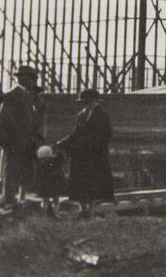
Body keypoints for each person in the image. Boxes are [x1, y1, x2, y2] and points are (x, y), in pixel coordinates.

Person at [58, 89, 114, 218]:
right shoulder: (81, 115)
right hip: (81, 154)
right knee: (80, 182)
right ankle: (83, 209)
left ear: (95, 101)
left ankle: (92, 210)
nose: (85, 104)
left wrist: (90, 143)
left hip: (96, 155)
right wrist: (62, 143)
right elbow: (75, 133)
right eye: (83, 102)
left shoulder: (102, 115)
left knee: (95, 183)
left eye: (87, 101)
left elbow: (107, 135)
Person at [0, 65, 42, 208]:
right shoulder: (12, 95)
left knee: (21, 168)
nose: (33, 82)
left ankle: (16, 199)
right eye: (31, 78)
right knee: (12, 169)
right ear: (23, 78)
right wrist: (18, 136)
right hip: (14, 139)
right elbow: (6, 118)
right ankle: (9, 199)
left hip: (24, 139)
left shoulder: (27, 95)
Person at [34, 143, 67, 218]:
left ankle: (56, 213)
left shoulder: (55, 162)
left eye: (45, 159)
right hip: (46, 185)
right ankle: (45, 214)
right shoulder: (40, 167)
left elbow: (62, 160)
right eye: (41, 159)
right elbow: (38, 177)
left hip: (55, 184)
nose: (43, 161)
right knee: (45, 199)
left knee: (56, 198)